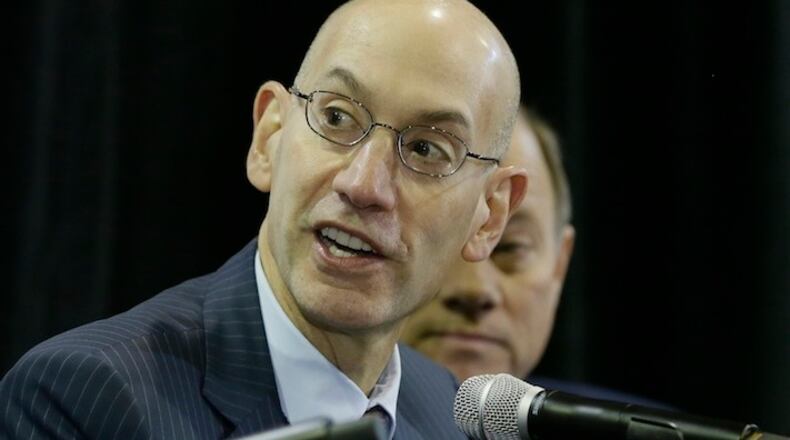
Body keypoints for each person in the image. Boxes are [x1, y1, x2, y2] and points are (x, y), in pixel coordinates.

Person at [0, 0, 526, 439]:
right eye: (337, 117)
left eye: (428, 149)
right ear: (269, 137)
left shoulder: (447, 413)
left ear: (490, 216)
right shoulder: (88, 399)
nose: (363, 185)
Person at [402, 106, 575, 382]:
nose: (475, 289)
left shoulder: (630, 424)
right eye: (443, 241)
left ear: (559, 266)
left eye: (509, 248)